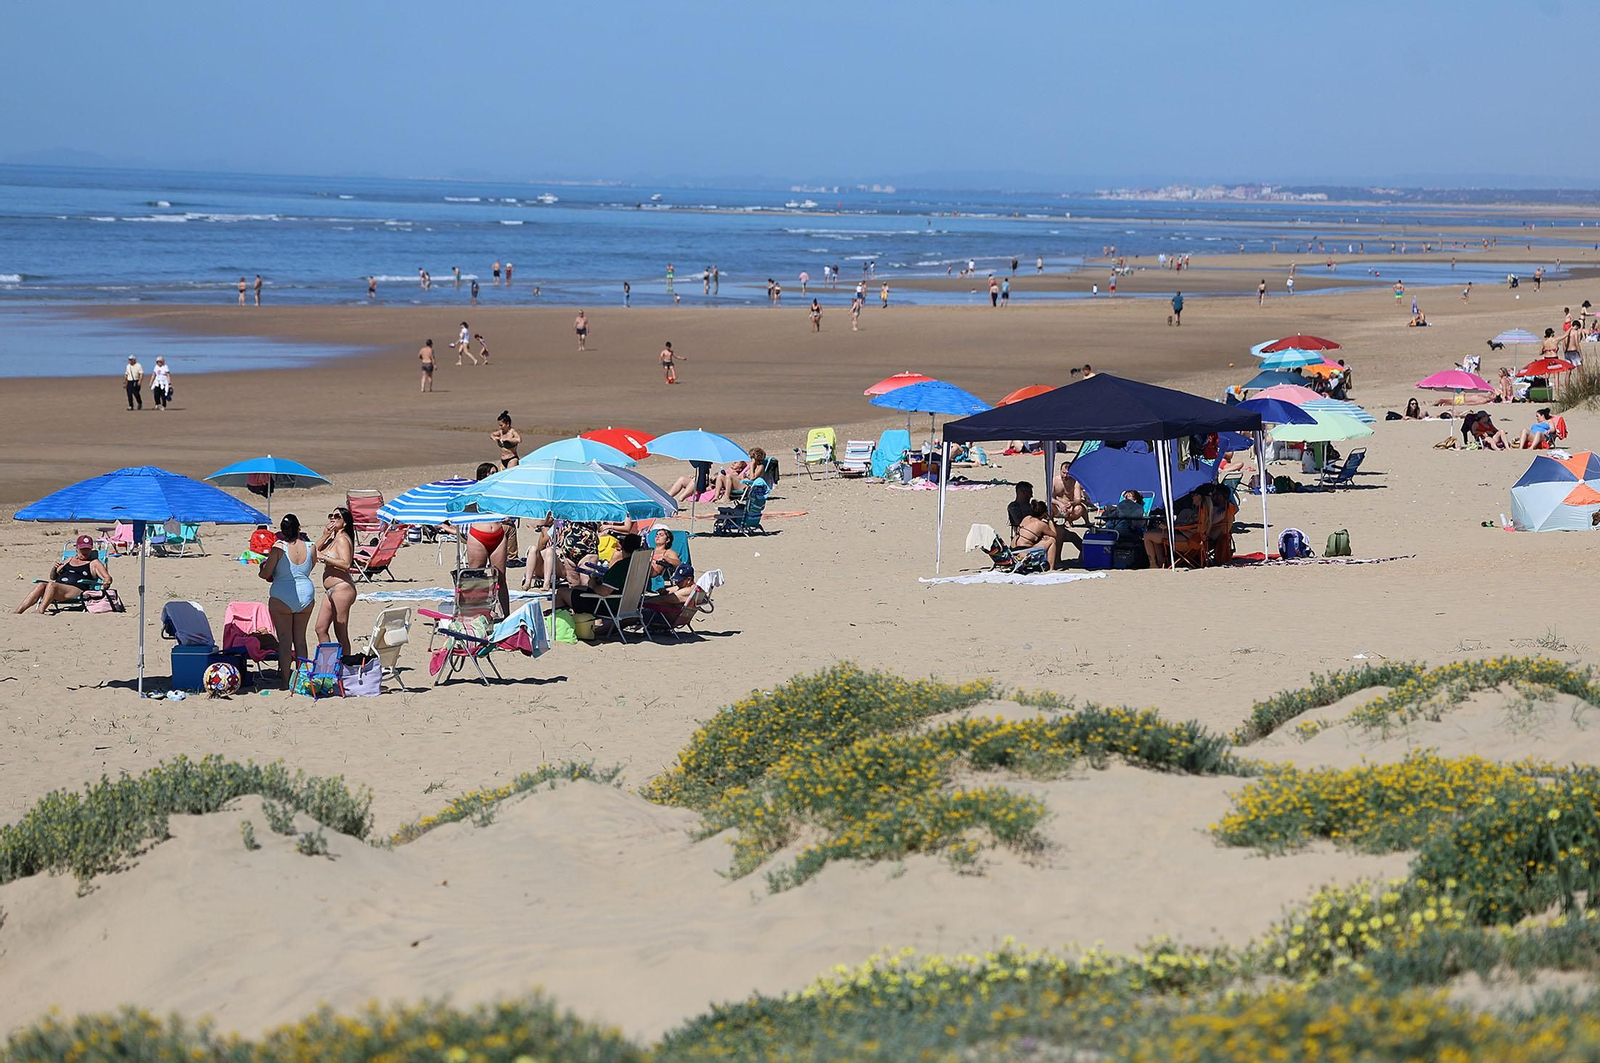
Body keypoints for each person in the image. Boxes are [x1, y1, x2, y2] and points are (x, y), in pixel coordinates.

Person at [259, 515, 317, 689]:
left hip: (282, 594)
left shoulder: (279, 548)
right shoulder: (310, 546)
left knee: (285, 641)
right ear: (299, 527)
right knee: (301, 640)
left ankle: (285, 682)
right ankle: (302, 680)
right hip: (305, 594)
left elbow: (265, 574)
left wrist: (264, 566)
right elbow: (309, 568)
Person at [15, 535, 111, 614]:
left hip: (77, 590)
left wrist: (106, 582)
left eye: (87, 549)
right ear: (77, 548)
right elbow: (53, 577)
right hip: (57, 588)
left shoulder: (94, 563)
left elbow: (107, 578)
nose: (85, 552)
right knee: (41, 585)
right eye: (82, 549)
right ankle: (18, 611)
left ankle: (40, 610)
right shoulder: (69, 559)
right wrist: (55, 568)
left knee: (52, 585)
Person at [314, 507, 356, 658]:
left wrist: (325, 558)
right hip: (330, 590)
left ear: (345, 523)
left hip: (342, 588)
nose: (332, 518)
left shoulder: (343, 539)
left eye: (337, 516)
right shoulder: (332, 539)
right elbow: (312, 552)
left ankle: (345, 667)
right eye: (331, 515)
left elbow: (346, 564)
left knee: (340, 631)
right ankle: (329, 665)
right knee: (320, 628)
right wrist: (325, 535)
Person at [1014, 500, 1072, 570]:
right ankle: (1051, 568)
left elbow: (1031, 534)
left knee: (1046, 539)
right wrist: (1050, 520)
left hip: (1013, 551)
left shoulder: (1026, 518)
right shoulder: (1041, 524)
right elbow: (1054, 534)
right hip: (1023, 552)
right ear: (1044, 513)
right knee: (1052, 540)